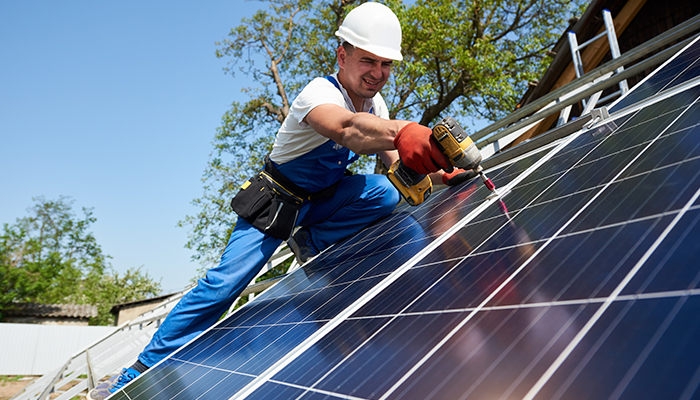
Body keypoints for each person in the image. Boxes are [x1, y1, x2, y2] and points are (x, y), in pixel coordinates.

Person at [87, 3, 475, 399]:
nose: (377, 73)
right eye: (367, 60)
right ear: (342, 56)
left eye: (386, 64)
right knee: (223, 286)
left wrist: (436, 170)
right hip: (276, 203)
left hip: (323, 200)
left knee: (386, 192)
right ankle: (133, 374)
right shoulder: (319, 93)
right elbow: (348, 130)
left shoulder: (377, 106)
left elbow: (397, 165)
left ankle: (312, 243)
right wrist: (404, 131)